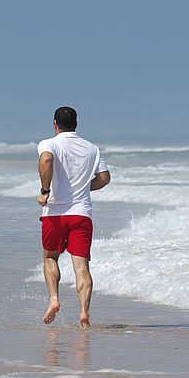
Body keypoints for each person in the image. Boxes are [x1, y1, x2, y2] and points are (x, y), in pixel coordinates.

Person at [37, 106, 111, 327]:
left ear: (55, 124)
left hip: (55, 214)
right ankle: (84, 313)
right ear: (76, 124)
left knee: (51, 257)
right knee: (82, 266)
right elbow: (105, 178)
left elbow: (47, 160)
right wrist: (82, 188)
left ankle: (54, 299)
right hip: (81, 214)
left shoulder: (48, 143)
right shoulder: (92, 148)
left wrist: (45, 191)